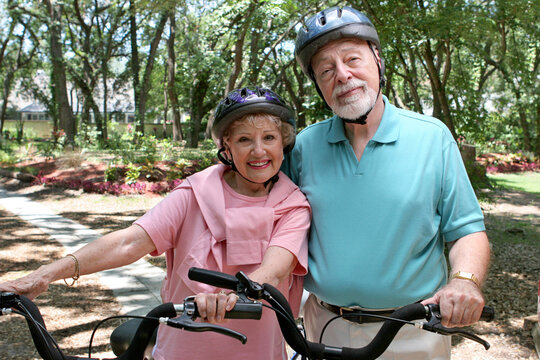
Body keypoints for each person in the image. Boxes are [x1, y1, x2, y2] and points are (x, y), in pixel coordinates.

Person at [0, 86, 311, 360]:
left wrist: (234, 298)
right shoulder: (196, 193)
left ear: (282, 142)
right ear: (226, 147)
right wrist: (43, 275)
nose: (259, 151)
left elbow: (275, 269)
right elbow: (129, 242)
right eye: (245, 139)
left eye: (269, 137)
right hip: (180, 352)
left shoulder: (293, 204)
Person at [282, 6, 490, 359]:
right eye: (326, 70)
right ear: (318, 85)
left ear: (377, 59)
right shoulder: (303, 147)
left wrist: (464, 281)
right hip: (323, 328)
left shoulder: (432, 138)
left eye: (352, 59)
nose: (343, 76)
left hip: (414, 331)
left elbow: (466, 229)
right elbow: (267, 221)